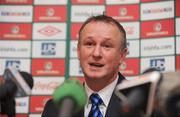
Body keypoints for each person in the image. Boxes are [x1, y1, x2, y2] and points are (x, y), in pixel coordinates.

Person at [42, 15, 127, 117]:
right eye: (89, 44)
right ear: (78, 51)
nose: (96, 53)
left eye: (106, 46)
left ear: (121, 56)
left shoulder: (141, 104)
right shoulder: (55, 109)